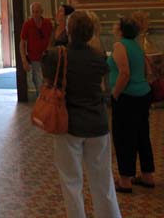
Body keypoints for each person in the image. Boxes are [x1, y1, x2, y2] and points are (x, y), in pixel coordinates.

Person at [42, 11, 122, 218]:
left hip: (68, 125)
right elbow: (104, 86)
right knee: (103, 181)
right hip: (97, 124)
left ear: (68, 31)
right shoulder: (99, 58)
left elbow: (48, 77)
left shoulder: (56, 56)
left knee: (71, 182)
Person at [108, 16, 155, 192]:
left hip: (127, 97)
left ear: (120, 30)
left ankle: (125, 180)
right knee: (142, 135)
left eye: (116, 25)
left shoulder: (120, 45)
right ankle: (147, 175)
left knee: (124, 138)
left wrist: (115, 93)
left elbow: (124, 73)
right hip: (143, 95)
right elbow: (148, 72)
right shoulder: (137, 45)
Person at [20, 1, 53, 94]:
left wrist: (48, 50)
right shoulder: (27, 25)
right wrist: (24, 60)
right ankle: (42, 101)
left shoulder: (47, 23)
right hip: (34, 58)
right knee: (38, 81)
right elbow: (22, 43)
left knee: (47, 81)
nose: (35, 14)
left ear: (41, 12)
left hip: (47, 58)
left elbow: (51, 38)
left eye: (37, 11)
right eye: (33, 12)